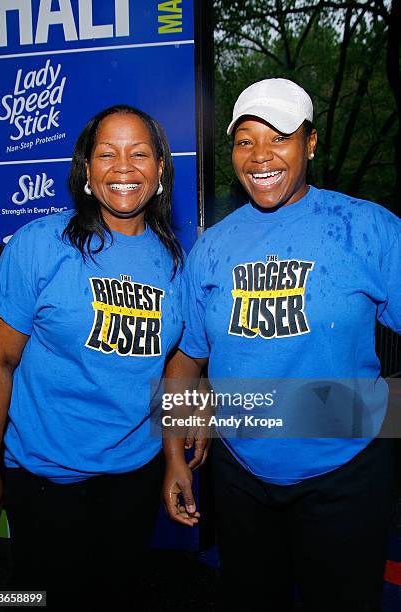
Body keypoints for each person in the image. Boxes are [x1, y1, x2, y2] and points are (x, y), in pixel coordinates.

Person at [163, 78, 401, 611]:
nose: (260, 155)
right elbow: (186, 359)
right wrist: (175, 458)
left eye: (280, 138)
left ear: (310, 144)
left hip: (348, 473)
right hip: (241, 476)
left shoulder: (369, 229)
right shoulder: (214, 248)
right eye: (246, 140)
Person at [0, 104, 183, 610]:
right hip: (44, 480)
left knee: (117, 595)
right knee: (34, 598)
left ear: (160, 170)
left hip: (134, 478)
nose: (123, 166)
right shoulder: (37, 245)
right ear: (87, 172)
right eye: (106, 153)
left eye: (139, 153)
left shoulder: (178, 264)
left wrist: (180, 449)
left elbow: (180, 366)